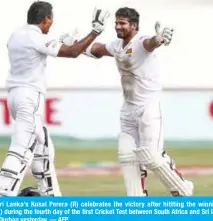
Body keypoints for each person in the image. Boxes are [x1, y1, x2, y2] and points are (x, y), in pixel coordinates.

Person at [0, 1, 110, 197]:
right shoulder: (34, 37)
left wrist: (68, 41)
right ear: (46, 19)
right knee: (22, 147)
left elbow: (43, 47)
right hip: (29, 97)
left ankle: (51, 196)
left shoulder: (17, 35)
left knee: (43, 147)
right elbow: (72, 53)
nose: (52, 23)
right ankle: (2, 195)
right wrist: (95, 32)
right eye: (51, 19)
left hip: (15, 95)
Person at [80, 7, 194, 196]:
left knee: (152, 157)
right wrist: (76, 44)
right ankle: (137, 199)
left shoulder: (141, 42)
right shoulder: (117, 45)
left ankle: (183, 189)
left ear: (133, 26)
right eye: (116, 23)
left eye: (122, 23)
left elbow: (151, 43)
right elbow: (98, 49)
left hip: (148, 107)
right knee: (127, 156)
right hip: (128, 108)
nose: (118, 26)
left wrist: (159, 39)